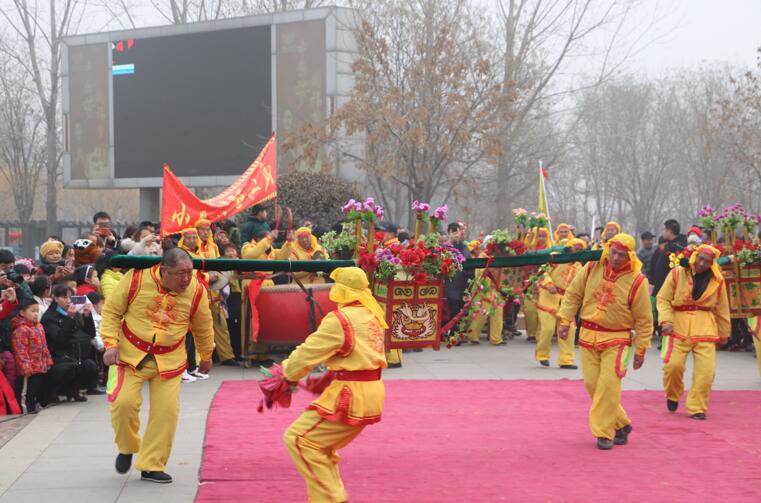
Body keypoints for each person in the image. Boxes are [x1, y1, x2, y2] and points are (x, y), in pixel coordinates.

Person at [101, 248, 215, 483]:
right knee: (123, 404)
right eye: (180, 273)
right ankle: (127, 446)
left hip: (170, 360)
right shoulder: (135, 278)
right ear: (164, 270)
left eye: (189, 272)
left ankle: (152, 464)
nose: (186, 279)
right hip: (130, 355)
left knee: (166, 413)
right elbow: (112, 311)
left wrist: (206, 354)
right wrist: (110, 343)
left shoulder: (196, 290)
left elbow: (203, 325)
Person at [282, 267, 388, 503]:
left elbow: (308, 353)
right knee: (321, 447)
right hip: (371, 392)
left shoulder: (340, 319)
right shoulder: (373, 313)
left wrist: (286, 373)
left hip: (351, 395)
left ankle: (333, 498)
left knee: (299, 439)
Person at [557, 234, 653, 450]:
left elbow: (645, 319)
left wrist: (642, 349)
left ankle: (603, 433)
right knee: (593, 386)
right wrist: (564, 320)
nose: (617, 258)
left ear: (630, 256)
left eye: (622, 254)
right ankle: (622, 424)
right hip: (588, 336)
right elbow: (573, 294)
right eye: (614, 252)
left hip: (618, 340)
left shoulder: (638, 281)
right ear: (608, 249)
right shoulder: (591, 267)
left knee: (608, 386)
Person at [656, 244, 730, 420]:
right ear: (694, 256)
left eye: (707, 261)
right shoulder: (677, 273)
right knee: (673, 366)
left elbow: (722, 308)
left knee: (706, 371)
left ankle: (697, 407)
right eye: (700, 259)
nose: (702, 263)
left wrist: (724, 332)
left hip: (705, 327)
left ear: (712, 263)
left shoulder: (717, 280)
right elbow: (663, 298)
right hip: (678, 326)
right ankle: (673, 394)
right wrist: (666, 320)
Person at [41, 284, 102, 399]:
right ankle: (54, 392)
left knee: (89, 365)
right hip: (58, 356)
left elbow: (90, 334)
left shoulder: (74, 313)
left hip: (75, 354)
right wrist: (69, 318)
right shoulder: (50, 317)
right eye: (64, 297)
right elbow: (60, 339)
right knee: (69, 367)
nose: (68, 301)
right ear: (55, 298)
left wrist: (87, 316)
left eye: (71, 297)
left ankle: (74, 390)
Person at [535, 238, 586, 368]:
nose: (578, 251)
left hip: (566, 301)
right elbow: (542, 272)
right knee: (548, 329)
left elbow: (581, 284)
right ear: (569, 248)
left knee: (569, 331)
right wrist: (549, 284)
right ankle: (542, 355)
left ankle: (566, 360)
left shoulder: (579, 266)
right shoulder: (555, 258)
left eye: (581, 249)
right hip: (548, 297)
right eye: (576, 248)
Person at [12, 299, 53, 414]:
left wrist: (47, 360)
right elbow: (20, 351)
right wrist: (25, 367)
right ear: (22, 312)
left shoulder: (39, 326)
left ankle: (34, 405)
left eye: (37, 311)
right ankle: (25, 409)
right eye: (32, 311)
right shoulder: (21, 330)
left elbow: (44, 346)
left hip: (39, 366)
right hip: (29, 369)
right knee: (26, 391)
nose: (36, 313)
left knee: (36, 388)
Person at [443, 223, 473, 339]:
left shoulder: (464, 247)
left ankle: (457, 333)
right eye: (453, 232)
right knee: (453, 309)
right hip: (450, 284)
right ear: (449, 233)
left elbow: (470, 264)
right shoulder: (445, 247)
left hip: (463, 283)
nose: (456, 235)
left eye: (458, 232)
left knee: (460, 309)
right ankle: (453, 334)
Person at [651, 219, 687, 296]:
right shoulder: (670, 245)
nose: (662, 231)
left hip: (668, 290)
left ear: (669, 231)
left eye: (664, 229)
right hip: (662, 287)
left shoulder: (676, 248)